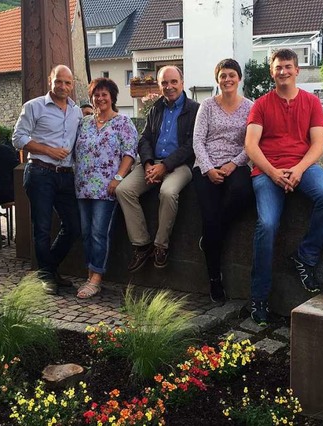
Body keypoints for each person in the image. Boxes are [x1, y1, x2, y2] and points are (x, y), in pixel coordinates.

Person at [244, 48, 323, 325]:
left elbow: (318, 145)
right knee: (268, 224)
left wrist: (297, 170)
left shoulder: (311, 103)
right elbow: (251, 146)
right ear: (271, 72)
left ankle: (305, 257)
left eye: (288, 66)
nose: (283, 71)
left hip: (303, 167)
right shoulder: (261, 104)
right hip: (267, 170)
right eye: (278, 67)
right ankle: (259, 298)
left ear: (297, 70)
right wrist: (273, 173)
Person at [116, 66, 199, 271]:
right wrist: (147, 164)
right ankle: (142, 244)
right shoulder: (156, 108)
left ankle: (161, 245)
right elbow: (144, 138)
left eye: (173, 82)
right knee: (123, 190)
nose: (169, 87)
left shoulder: (194, 109)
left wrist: (166, 166)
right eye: (164, 83)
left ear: (182, 82)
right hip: (152, 164)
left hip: (179, 166)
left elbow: (191, 145)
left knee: (168, 192)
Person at [13, 65, 83, 294]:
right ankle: (47, 276)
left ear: (72, 85)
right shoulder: (34, 106)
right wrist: (48, 150)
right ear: (50, 81)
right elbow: (18, 138)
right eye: (59, 81)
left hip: (65, 176)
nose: (63, 87)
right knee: (41, 228)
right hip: (40, 172)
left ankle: (48, 268)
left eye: (68, 83)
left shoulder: (77, 111)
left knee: (74, 226)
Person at [192, 59, 254, 304]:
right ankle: (214, 280)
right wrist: (208, 169)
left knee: (244, 193)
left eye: (231, 75)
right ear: (217, 80)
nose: (227, 80)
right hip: (206, 165)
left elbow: (251, 144)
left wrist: (234, 163)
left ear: (239, 78)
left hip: (235, 164)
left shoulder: (250, 106)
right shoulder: (207, 105)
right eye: (222, 76)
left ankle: (211, 237)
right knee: (209, 217)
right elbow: (198, 140)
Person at [73, 78, 138, 298]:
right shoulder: (85, 123)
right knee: (86, 233)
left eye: (104, 94)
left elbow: (130, 152)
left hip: (106, 188)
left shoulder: (123, 122)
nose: (100, 98)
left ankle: (96, 278)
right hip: (83, 186)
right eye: (96, 95)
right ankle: (90, 272)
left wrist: (118, 177)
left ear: (112, 97)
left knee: (100, 233)